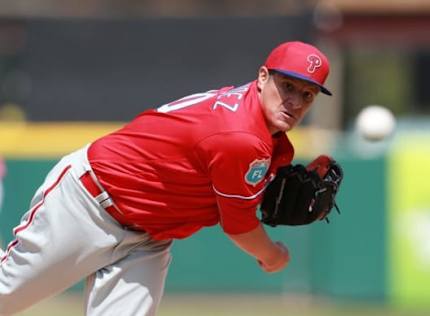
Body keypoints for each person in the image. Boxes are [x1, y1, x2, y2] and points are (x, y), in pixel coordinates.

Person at [0, 41, 332, 315]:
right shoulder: (240, 136)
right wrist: (272, 254)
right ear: (262, 77)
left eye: (307, 94)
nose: (295, 102)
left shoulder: (261, 130)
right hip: (89, 205)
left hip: (149, 238)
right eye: (287, 86)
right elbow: (239, 225)